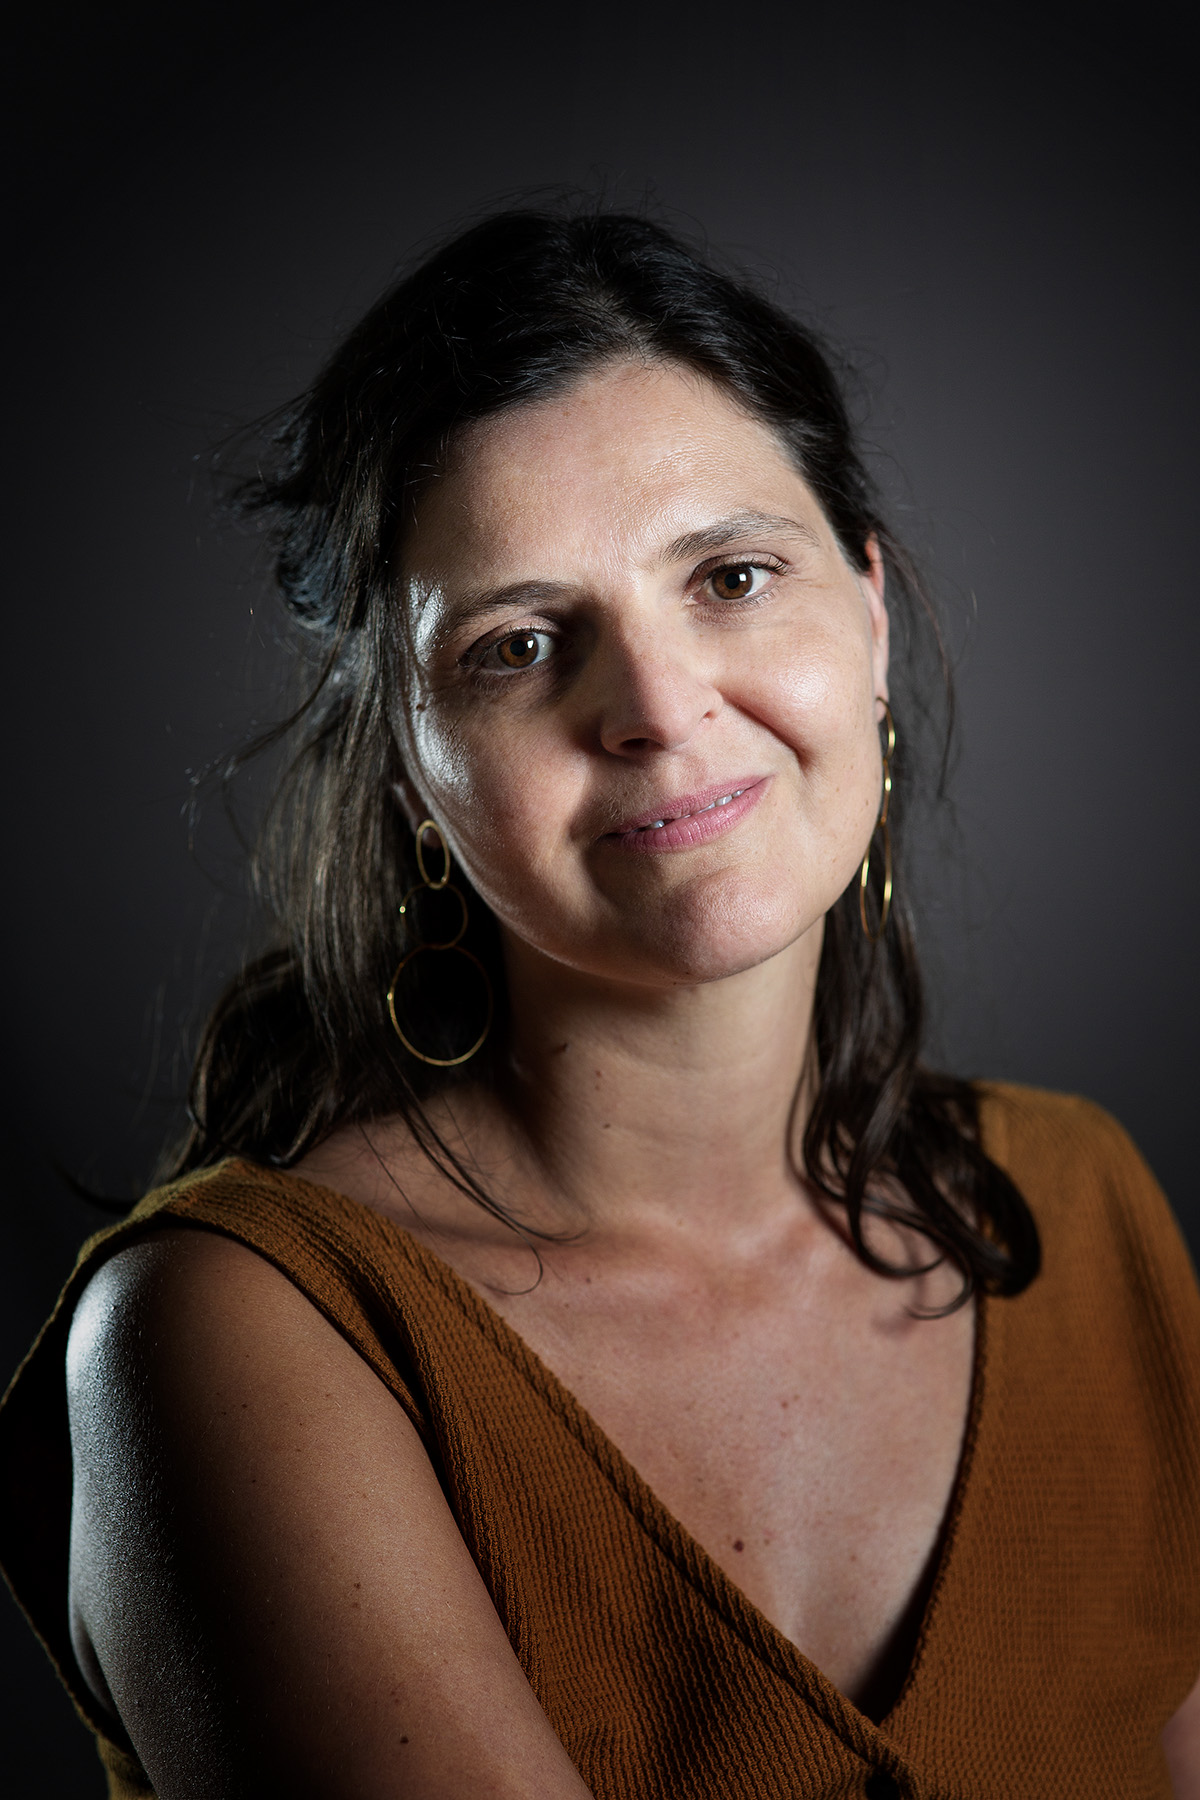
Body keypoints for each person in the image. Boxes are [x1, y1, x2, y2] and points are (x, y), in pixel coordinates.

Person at [1, 209, 1197, 1800]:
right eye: (519, 645)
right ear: (409, 769)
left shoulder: (1081, 1208)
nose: (657, 707)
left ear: (870, 616)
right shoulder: (237, 1331)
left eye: (733, 577)